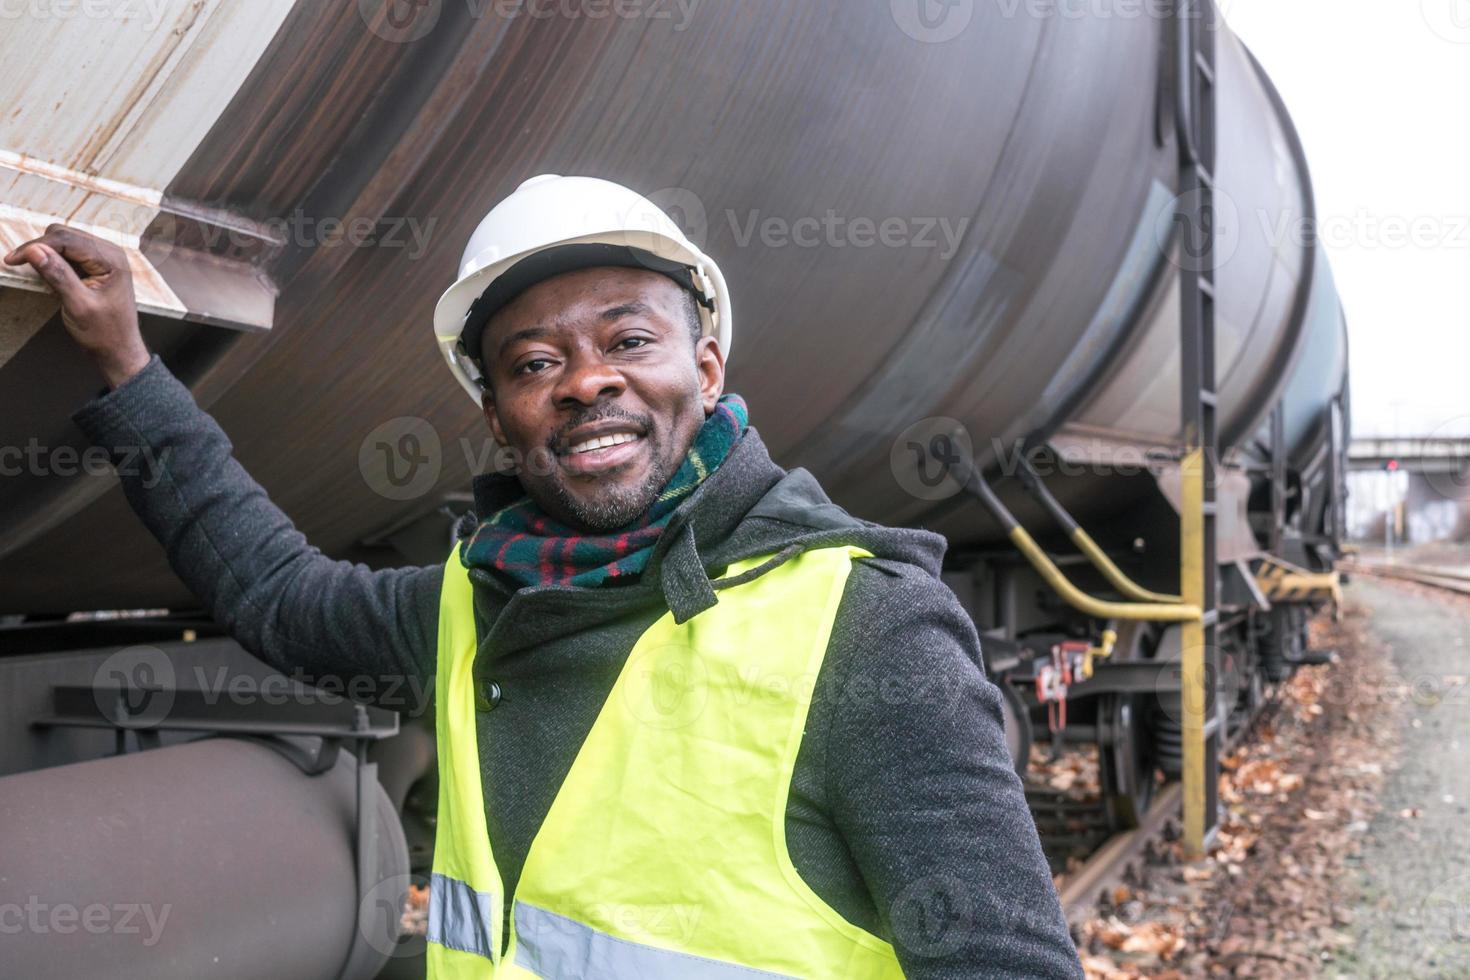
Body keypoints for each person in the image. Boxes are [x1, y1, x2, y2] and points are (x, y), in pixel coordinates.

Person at [5, 175, 1082, 978]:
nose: (586, 382)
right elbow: (278, 593)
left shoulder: (863, 625)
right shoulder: (477, 603)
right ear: (496, 414)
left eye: (629, 338)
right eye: (534, 362)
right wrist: (129, 370)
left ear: (705, 370)